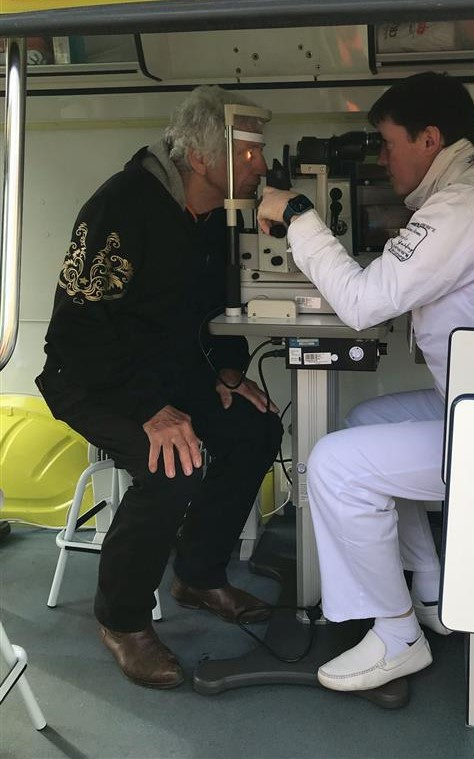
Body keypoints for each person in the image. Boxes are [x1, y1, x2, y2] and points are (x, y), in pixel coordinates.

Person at [258, 72, 474, 692]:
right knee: (363, 423)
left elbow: (363, 303)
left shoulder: (468, 206)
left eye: (389, 143)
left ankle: (398, 637)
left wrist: (296, 214)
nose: (381, 159)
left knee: (335, 464)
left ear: (429, 139)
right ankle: (430, 591)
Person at [36, 85, 283, 689]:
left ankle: (198, 575)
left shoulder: (214, 216)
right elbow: (78, 330)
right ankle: (122, 620)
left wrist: (227, 371)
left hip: (166, 376)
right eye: (247, 153)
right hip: (90, 377)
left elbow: (212, 307)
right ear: (199, 157)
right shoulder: (121, 207)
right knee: (172, 463)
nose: (261, 166)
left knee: (255, 428)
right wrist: (151, 410)